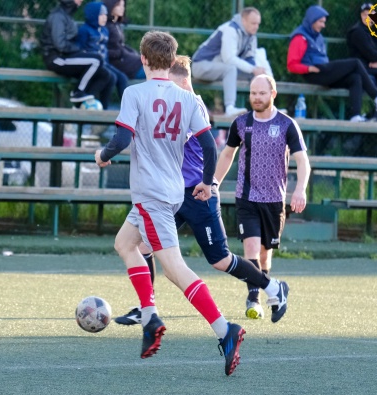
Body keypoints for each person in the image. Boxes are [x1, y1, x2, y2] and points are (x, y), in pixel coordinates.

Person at [95, 31, 249, 376]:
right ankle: (150, 316)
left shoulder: (134, 93)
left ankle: (225, 330)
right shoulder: (188, 99)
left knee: (174, 269)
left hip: (151, 194)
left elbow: (122, 138)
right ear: (171, 59)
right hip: (170, 190)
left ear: (144, 59)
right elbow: (209, 146)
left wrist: (102, 155)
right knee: (125, 243)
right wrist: (208, 182)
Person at [115, 55, 290, 325]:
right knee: (141, 245)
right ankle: (146, 308)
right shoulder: (177, 101)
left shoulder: (191, 104)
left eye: (170, 83)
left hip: (198, 194)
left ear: (184, 81)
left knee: (220, 260)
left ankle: (273, 287)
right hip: (171, 194)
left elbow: (184, 143)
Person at [214, 74, 310, 317]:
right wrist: (214, 183)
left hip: (275, 200)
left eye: (262, 93)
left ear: (273, 94)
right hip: (247, 197)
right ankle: (253, 299)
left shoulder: (287, 124)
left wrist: (300, 189)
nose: (256, 98)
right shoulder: (240, 123)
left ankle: (273, 291)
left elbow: (302, 161)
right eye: (253, 93)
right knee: (251, 248)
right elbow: (227, 154)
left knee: (265, 254)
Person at [287, 5, 377, 122]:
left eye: (324, 22)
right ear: (312, 20)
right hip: (315, 73)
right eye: (321, 22)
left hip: (324, 70)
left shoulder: (317, 36)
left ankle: (355, 116)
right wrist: (309, 69)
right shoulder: (300, 37)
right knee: (355, 63)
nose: (323, 25)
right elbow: (291, 66)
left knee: (355, 78)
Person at [191, 7, 273, 118]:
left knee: (258, 73)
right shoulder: (231, 29)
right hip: (201, 65)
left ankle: (268, 107)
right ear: (243, 21)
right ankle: (230, 108)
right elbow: (228, 59)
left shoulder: (251, 36)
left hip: (220, 69)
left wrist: (259, 71)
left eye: (258, 24)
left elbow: (250, 59)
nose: (256, 27)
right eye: (253, 23)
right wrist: (253, 69)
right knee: (231, 69)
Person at [40, 0, 115, 108]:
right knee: (96, 60)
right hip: (56, 58)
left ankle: (81, 106)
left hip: (66, 56)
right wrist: (80, 50)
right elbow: (60, 45)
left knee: (105, 74)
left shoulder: (67, 15)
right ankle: (78, 92)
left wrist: (79, 51)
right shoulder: (57, 16)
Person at [77, 1, 127, 99]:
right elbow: (80, 49)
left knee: (122, 78)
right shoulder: (84, 30)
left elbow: (104, 51)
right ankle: (90, 101)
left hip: (104, 63)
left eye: (105, 14)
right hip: (92, 64)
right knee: (110, 77)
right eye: (101, 14)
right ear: (93, 15)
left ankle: (125, 106)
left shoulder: (104, 30)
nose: (105, 17)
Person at [103, 0, 146, 80]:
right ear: (111, 6)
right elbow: (110, 50)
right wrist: (123, 53)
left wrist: (132, 53)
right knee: (160, 71)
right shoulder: (107, 27)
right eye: (119, 5)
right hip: (121, 65)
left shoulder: (116, 25)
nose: (122, 8)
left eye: (123, 5)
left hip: (129, 61)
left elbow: (121, 46)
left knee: (163, 67)